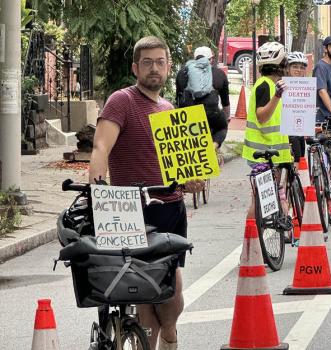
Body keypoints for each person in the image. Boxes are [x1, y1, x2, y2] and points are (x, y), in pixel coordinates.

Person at [89, 36, 204, 350]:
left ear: (168, 67)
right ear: (135, 67)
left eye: (160, 62)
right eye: (147, 62)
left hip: (170, 207)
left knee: (170, 286)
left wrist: (190, 181)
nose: (154, 68)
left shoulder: (168, 109)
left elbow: (178, 169)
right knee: (141, 289)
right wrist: (98, 192)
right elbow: (100, 147)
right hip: (130, 209)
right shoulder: (121, 101)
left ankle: (170, 332)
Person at [241, 41, 292, 219]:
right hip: (261, 153)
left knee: (276, 194)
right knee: (260, 200)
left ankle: (283, 226)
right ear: (282, 64)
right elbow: (262, 117)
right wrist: (277, 96)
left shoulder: (275, 85)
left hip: (273, 151)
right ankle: (252, 237)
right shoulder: (265, 86)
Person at [176, 46, 230, 161]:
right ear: (211, 59)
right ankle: (213, 146)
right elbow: (225, 102)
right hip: (211, 113)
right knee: (222, 127)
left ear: (195, 59)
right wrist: (227, 117)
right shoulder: (219, 74)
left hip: (188, 115)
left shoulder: (182, 73)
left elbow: (179, 98)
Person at [286, 51, 309, 163]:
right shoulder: (282, 85)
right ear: (288, 68)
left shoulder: (307, 87)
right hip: (287, 131)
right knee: (297, 160)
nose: (298, 70)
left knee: (301, 159)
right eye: (295, 67)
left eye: (301, 67)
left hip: (300, 130)